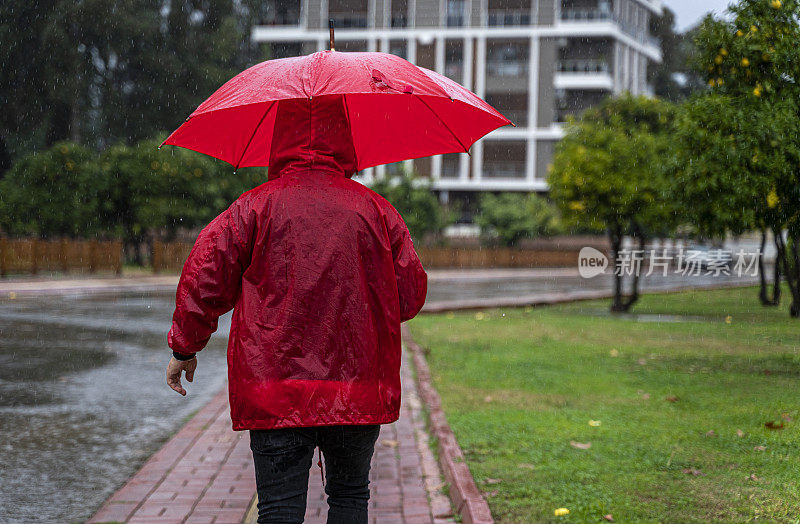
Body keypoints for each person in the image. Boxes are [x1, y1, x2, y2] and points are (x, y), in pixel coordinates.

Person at [164, 95, 428, 524]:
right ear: (344, 137)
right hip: (355, 387)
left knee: (279, 507)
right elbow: (411, 295)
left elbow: (204, 277)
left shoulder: (252, 208)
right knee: (349, 497)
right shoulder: (377, 212)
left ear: (278, 139)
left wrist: (184, 348)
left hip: (273, 388)